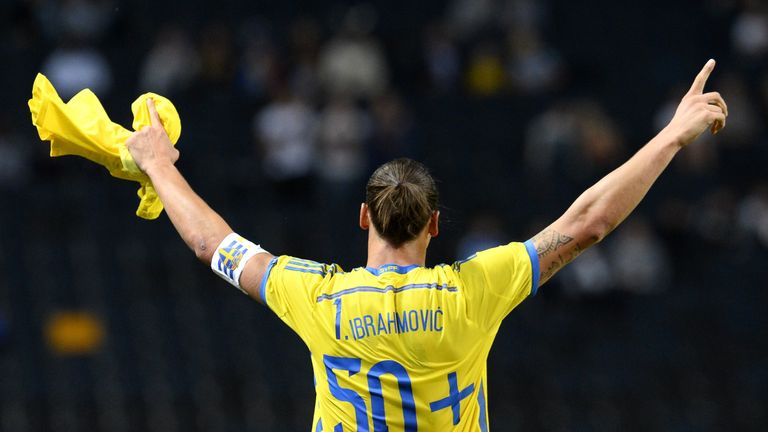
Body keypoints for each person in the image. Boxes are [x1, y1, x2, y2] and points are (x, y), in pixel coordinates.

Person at [124, 60, 727, 431]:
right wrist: (672, 136)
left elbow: (213, 244)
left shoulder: (317, 295)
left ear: (364, 218)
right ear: (434, 225)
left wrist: (157, 164)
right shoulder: (476, 289)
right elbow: (588, 222)